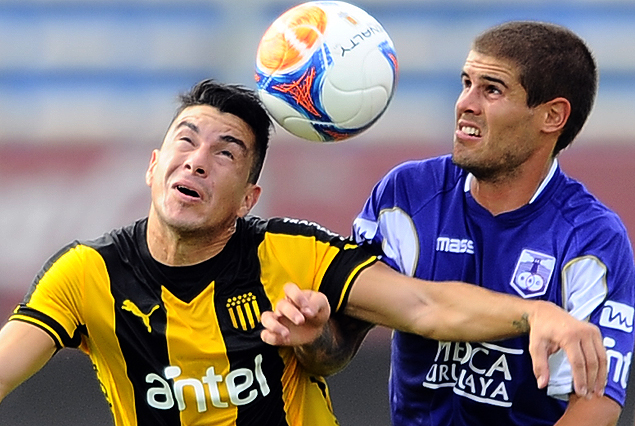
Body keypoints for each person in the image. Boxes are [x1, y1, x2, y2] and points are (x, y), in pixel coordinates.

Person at [0, 78, 606, 426]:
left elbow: (423, 304)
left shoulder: (293, 253)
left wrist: (535, 313)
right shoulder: (86, 274)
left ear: (248, 199)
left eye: (226, 153)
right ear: (154, 166)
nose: (197, 161)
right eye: (186, 142)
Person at [262, 21, 635, 426]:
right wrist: (315, 336)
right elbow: (336, 349)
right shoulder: (405, 196)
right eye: (466, 83)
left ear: (552, 116)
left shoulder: (592, 238)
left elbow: (597, 405)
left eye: (492, 90)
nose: (465, 104)